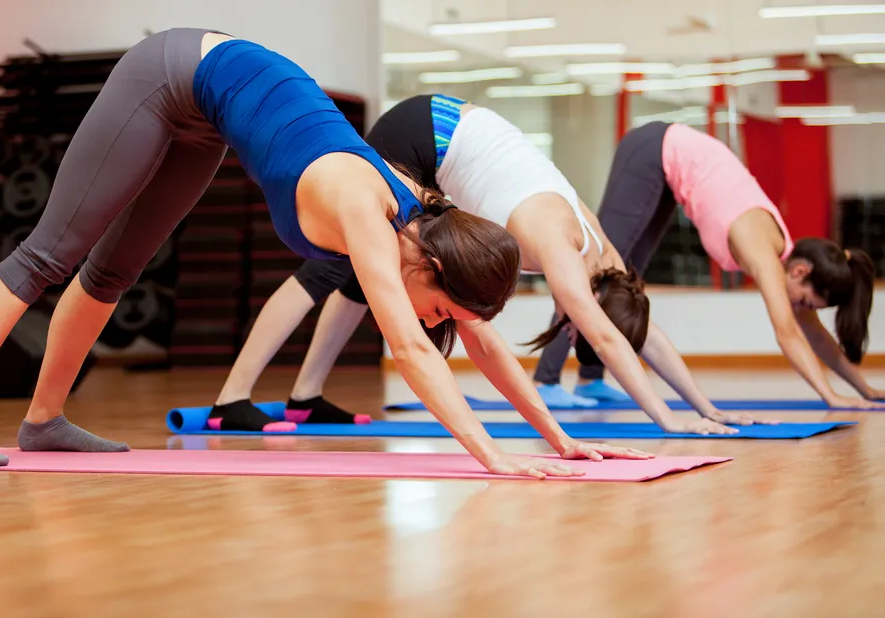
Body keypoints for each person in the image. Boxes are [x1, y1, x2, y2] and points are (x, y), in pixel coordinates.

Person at [0, 30, 648, 479]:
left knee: (113, 271)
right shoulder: (369, 211)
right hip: (170, 75)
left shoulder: (428, 225)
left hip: (210, 116)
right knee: (50, 253)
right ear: (433, 271)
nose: (437, 325)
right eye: (441, 310)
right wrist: (491, 454)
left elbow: (479, 340)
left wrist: (561, 439)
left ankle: (44, 419)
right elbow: (411, 352)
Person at [207, 94, 753, 433]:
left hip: (453, 125)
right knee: (334, 263)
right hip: (427, 133)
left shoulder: (608, 263)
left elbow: (636, 331)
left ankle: (304, 397)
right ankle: (232, 397)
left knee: (361, 271)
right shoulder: (564, 251)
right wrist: (668, 419)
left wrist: (707, 407)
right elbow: (608, 340)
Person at [534, 120, 882, 410]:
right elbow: (788, 333)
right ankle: (545, 381)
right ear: (801, 271)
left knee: (626, 281)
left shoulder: (785, 259)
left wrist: (864, 389)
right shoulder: (763, 250)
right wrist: (831, 397)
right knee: (595, 274)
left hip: (671, 173)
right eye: (805, 301)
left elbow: (816, 337)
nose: (800, 309)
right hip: (653, 149)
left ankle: (590, 378)